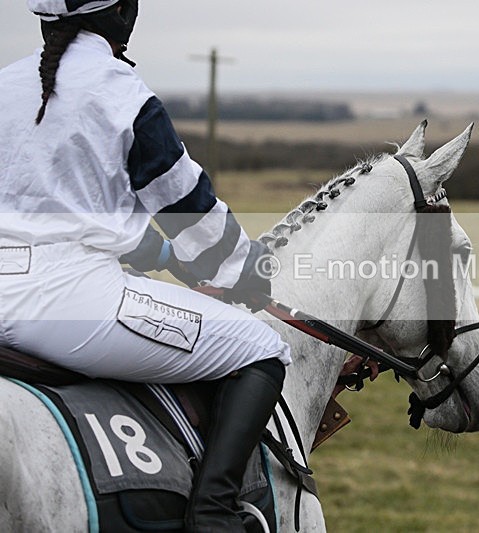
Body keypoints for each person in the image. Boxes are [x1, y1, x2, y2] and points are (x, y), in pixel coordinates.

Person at [0, 1, 290, 531]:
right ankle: (213, 514)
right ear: (121, 16)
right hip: (65, 305)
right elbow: (191, 214)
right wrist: (246, 272)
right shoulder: (123, 94)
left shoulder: (3, 84)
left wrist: (160, 257)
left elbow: (68, 216)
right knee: (262, 348)